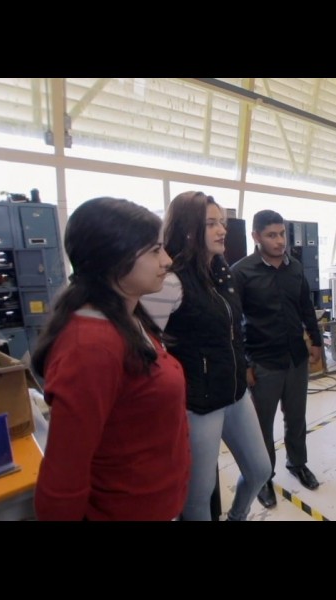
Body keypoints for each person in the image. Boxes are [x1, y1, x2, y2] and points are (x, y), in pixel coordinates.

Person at [32, 197, 190, 521]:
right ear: (114, 258)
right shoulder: (91, 347)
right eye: (155, 251)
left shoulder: (127, 317)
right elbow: (63, 479)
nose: (167, 260)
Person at [142, 191, 271, 521]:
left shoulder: (220, 272)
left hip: (234, 391)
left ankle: (236, 517)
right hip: (198, 403)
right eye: (211, 223)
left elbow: (232, 331)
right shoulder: (171, 282)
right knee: (198, 496)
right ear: (188, 230)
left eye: (222, 223)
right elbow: (145, 349)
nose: (222, 230)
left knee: (260, 470)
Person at [231, 210, 323, 509]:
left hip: (295, 357)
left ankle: (297, 463)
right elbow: (234, 325)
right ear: (256, 236)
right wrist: (245, 365)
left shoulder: (294, 267)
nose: (280, 241)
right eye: (272, 235)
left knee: (296, 417)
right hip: (263, 362)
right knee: (262, 427)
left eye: (282, 234)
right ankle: (263, 477)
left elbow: (306, 307)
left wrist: (316, 341)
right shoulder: (241, 272)